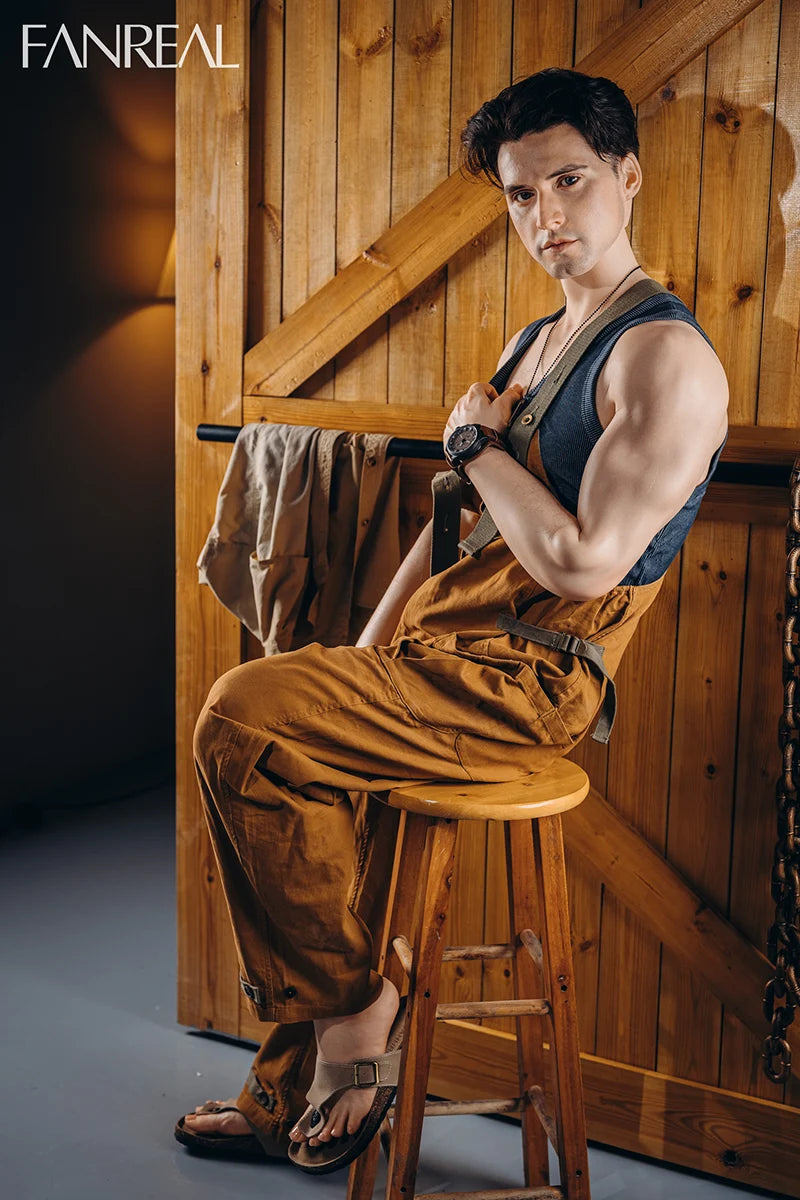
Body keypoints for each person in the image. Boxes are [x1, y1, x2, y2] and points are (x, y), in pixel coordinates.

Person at [175, 67, 728, 1173]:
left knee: (240, 715)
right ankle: (284, 1090)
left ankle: (353, 1022)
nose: (545, 216)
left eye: (568, 181)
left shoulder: (662, 358)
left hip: (530, 681)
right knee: (303, 764)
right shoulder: (534, 344)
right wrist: (366, 654)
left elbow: (582, 557)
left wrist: (473, 443)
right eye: (521, 194)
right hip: (442, 655)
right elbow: (454, 525)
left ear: (625, 176)